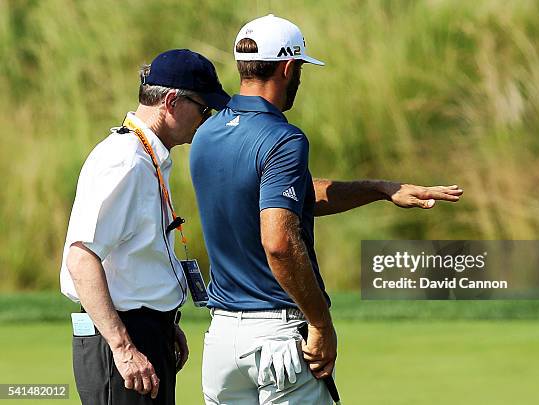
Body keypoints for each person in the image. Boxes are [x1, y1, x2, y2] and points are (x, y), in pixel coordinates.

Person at [190, 14, 463, 404]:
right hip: (278, 340)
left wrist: (380, 189)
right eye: (300, 67)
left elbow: (285, 197)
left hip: (221, 344)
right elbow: (280, 242)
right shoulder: (283, 139)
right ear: (287, 68)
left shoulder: (208, 133)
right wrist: (320, 324)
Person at [60, 49, 229, 405]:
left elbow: (134, 257)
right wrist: (124, 347)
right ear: (171, 101)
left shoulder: (144, 157)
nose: (206, 118)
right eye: (204, 108)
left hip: (145, 331)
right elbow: (81, 257)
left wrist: (166, 321)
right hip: (121, 338)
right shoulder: (127, 161)